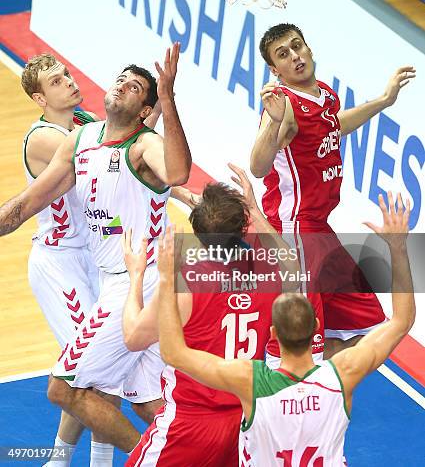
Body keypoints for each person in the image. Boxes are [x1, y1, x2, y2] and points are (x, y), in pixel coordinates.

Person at [0, 42, 191, 453]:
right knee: (149, 399)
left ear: (145, 111)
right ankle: (204, 456)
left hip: (138, 282)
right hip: (111, 278)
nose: (123, 84)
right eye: (121, 78)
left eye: (136, 86)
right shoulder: (81, 139)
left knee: (65, 389)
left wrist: (169, 99)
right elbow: (24, 206)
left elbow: (177, 171)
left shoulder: (144, 146)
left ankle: (150, 460)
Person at [157, 191, 415, 466]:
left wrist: (166, 278)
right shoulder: (342, 375)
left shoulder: (251, 382)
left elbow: (174, 353)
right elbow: (402, 320)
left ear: (273, 335)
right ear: (316, 327)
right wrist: (397, 247)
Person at [250, 23, 415, 361]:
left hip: (319, 228)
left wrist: (384, 100)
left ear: (308, 47)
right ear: (274, 69)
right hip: (295, 231)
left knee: (369, 327)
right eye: (283, 54)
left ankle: (322, 384)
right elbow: (258, 165)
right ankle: (281, 405)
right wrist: (274, 122)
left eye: (297, 46)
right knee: (294, 349)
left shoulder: (324, 93)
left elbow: (334, 126)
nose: (295, 56)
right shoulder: (284, 107)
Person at [123, 165, 298, 466]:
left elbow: (133, 336)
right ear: (243, 227)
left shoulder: (186, 283)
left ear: (199, 235)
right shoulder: (271, 271)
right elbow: (293, 266)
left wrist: (136, 276)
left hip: (192, 421)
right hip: (246, 421)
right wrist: (255, 211)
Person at [21, 54, 108, 466]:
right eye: (56, 82)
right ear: (40, 98)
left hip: (94, 260)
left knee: (105, 367)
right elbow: (112, 159)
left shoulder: (86, 120)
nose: (69, 82)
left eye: (68, 75)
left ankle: (67, 461)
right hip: (59, 264)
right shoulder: (43, 138)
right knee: (93, 363)